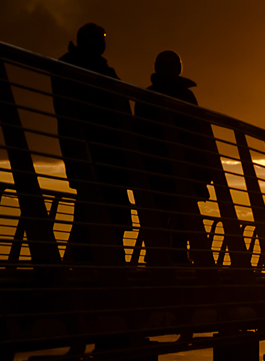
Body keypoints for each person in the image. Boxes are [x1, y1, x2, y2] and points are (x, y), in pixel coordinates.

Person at [53, 23, 133, 264]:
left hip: (99, 156)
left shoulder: (72, 67)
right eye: (100, 39)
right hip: (103, 156)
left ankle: (88, 264)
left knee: (93, 213)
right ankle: (102, 267)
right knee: (101, 212)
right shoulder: (88, 71)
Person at [134, 51, 216, 266]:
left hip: (168, 169)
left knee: (175, 217)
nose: (170, 69)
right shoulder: (184, 97)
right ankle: (167, 258)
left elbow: (199, 135)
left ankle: (168, 258)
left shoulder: (148, 96)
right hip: (167, 169)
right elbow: (199, 135)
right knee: (172, 215)